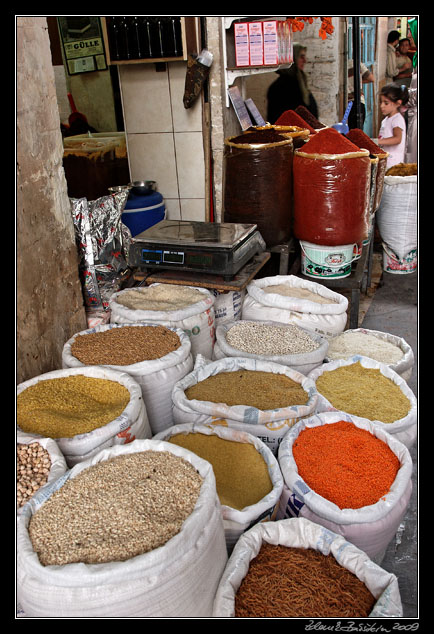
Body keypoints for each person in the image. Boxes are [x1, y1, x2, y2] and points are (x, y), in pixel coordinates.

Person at [266, 43, 318, 124]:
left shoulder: (299, 81)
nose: (305, 61)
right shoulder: (281, 87)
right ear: (292, 59)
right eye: (301, 57)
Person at [377, 84, 409, 169]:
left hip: (394, 164)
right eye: (381, 102)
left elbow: (397, 139)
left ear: (398, 103)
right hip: (386, 162)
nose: (381, 106)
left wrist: (378, 141)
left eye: (386, 103)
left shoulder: (397, 119)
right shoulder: (385, 120)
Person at [347, 60, 374, 129]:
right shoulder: (356, 63)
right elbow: (371, 78)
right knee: (357, 133)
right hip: (359, 102)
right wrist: (360, 82)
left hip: (346, 103)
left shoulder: (338, 64)